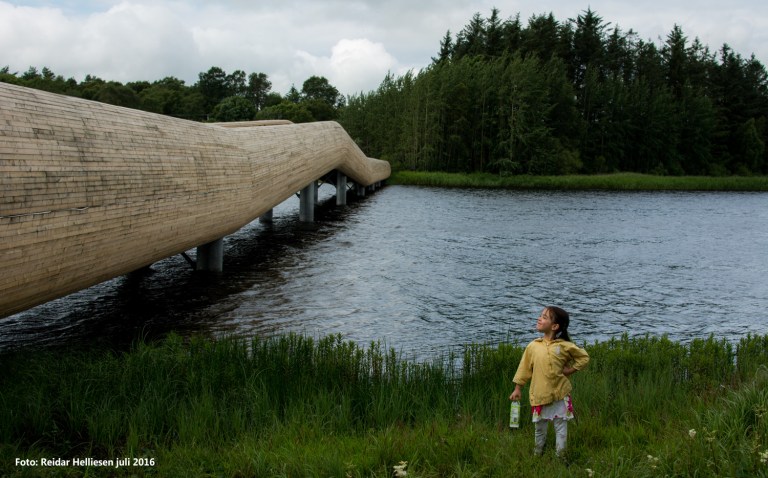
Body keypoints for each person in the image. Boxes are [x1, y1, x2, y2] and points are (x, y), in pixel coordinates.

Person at [509, 306, 590, 457]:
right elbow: (524, 368)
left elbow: (584, 357)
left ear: (555, 326)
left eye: (545, 317)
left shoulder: (564, 346)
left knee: (561, 428)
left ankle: (561, 456)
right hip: (540, 395)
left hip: (560, 394)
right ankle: (537, 455)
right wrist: (517, 388)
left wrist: (571, 370)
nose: (539, 318)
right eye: (540, 316)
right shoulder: (533, 346)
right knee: (539, 429)